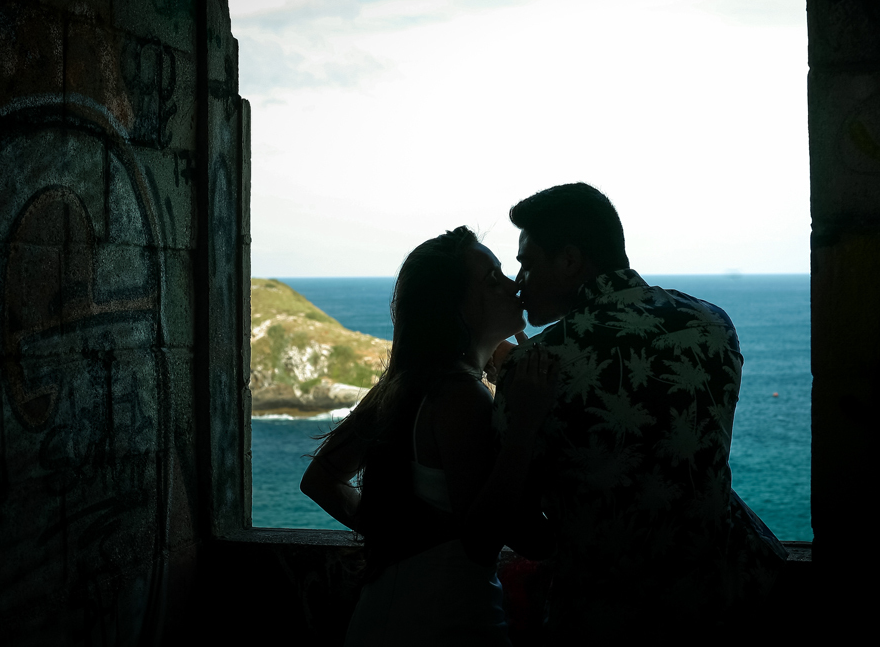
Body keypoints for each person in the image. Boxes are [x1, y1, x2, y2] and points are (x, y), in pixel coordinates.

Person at [493, 183, 787, 642]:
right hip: (733, 596)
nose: (518, 282)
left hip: (607, 617)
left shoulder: (540, 366)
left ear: (570, 261)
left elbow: (517, 520)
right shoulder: (710, 322)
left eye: (527, 264)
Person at [300, 226, 557, 647]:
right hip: (444, 623)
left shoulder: (410, 381)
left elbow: (321, 480)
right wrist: (524, 425)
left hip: (390, 614)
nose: (512, 285)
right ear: (456, 308)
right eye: (492, 280)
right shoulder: (461, 395)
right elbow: (485, 541)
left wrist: (397, 535)